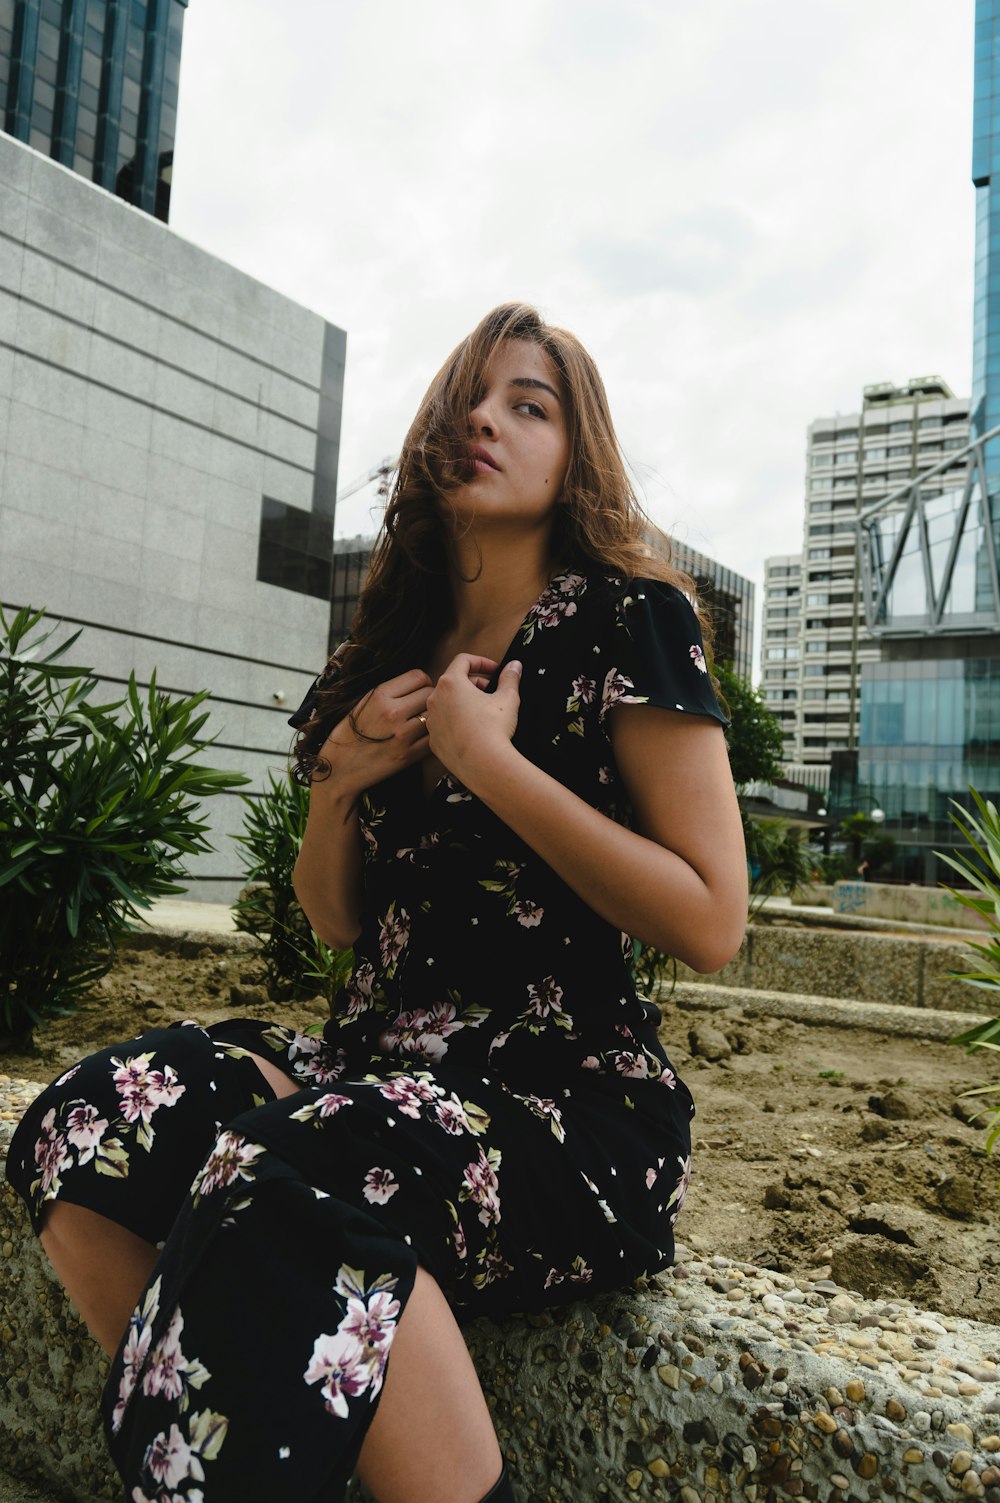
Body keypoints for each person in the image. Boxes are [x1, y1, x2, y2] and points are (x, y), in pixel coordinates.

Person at [6, 303, 747, 1503]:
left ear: (579, 452)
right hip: (368, 1070)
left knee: (281, 1173)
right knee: (86, 1124)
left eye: (529, 404)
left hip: (562, 1099)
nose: (486, 420)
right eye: (468, 397)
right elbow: (337, 922)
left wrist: (488, 762)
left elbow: (713, 919)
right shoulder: (385, 652)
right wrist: (341, 784)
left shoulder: (627, 619)